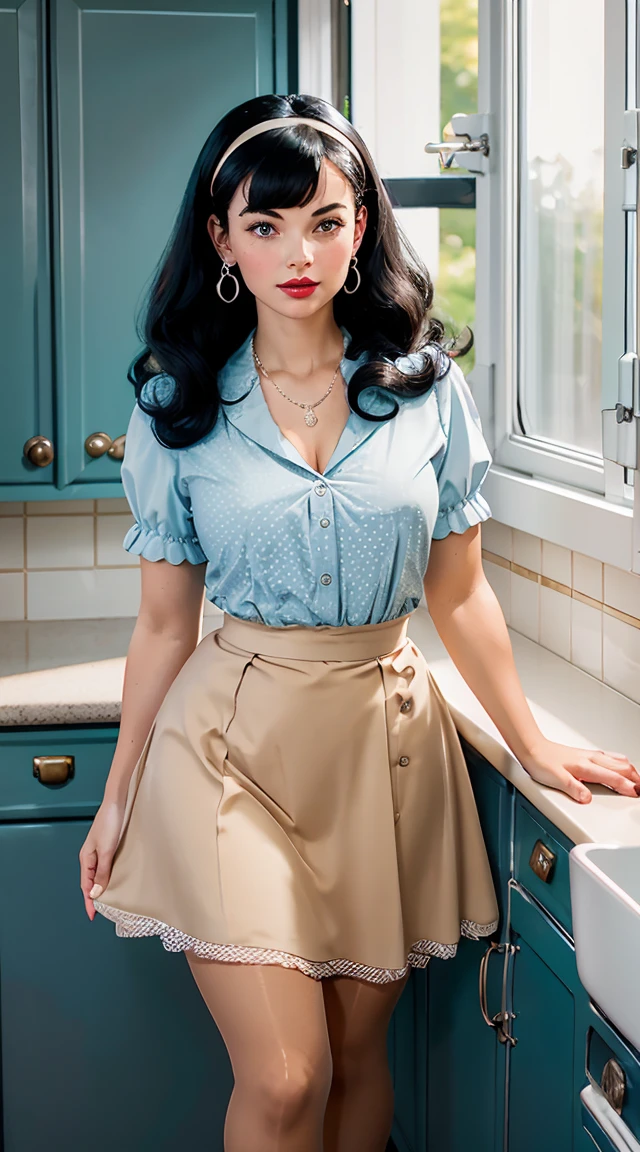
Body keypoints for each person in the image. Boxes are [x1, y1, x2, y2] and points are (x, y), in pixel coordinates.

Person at [78, 92, 640, 1152]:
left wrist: (534, 745)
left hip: (383, 741)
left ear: (363, 226)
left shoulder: (423, 387)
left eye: (327, 221)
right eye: (267, 224)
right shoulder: (181, 401)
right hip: (228, 749)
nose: (300, 251)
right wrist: (118, 795)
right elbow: (162, 627)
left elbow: (460, 592)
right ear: (222, 240)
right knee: (287, 1079)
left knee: (352, 1063)